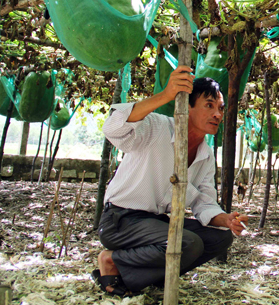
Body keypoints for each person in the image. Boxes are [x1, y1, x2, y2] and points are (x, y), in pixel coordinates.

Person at [91, 65, 249, 296]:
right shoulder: (157, 126)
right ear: (188, 106)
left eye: (220, 108)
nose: (217, 114)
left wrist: (226, 220)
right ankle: (111, 261)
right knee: (188, 243)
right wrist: (166, 95)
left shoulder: (205, 155)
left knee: (219, 237)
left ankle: (148, 276)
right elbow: (113, 128)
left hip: (155, 223)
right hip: (120, 220)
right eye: (209, 105)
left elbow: (204, 203)